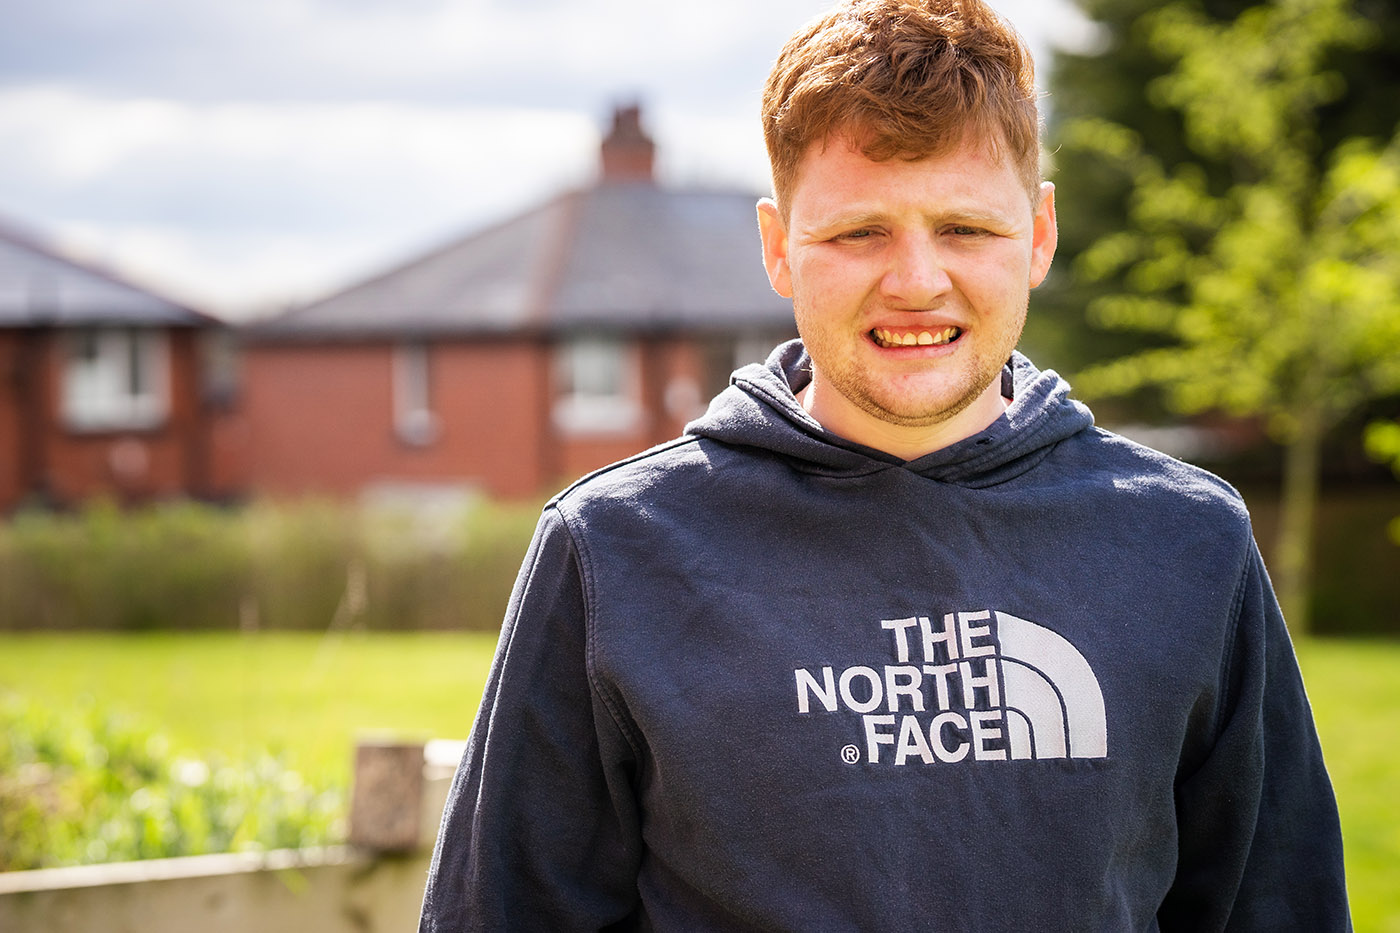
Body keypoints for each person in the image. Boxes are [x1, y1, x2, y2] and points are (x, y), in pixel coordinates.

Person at [419, 0, 1351, 928]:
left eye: (966, 228)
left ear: (1039, 234)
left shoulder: (1188, 543)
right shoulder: (615, 550)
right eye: (860, 231)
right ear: (780, 248)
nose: (914, 280)